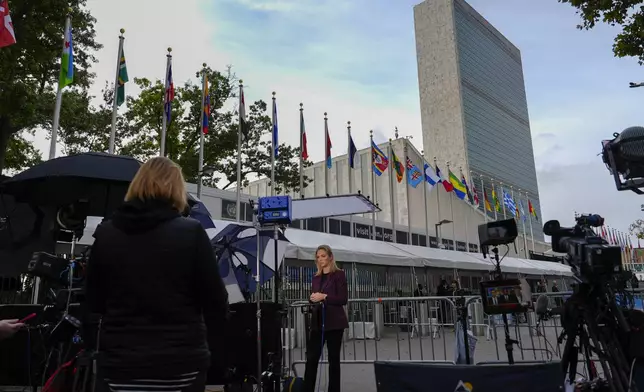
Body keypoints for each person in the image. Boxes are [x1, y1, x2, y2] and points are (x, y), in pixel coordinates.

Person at [85, 157, 229, 392]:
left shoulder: (107, 234)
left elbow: (93, 301)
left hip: (120, 366)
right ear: (176, 188)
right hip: (180, 365)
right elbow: (215, 300)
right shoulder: (191, 232)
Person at [303, 245, 348, 392]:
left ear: (330, 257)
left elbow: (342, 299)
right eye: (318, 257)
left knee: (333, 360)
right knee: (311, 358)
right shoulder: (316, 278)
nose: (320, 259)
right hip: (317, 322)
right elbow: (314, 296)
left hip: (335, 323)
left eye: (323, 256)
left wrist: (324, 297)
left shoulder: (339, 274)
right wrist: (312, 298)